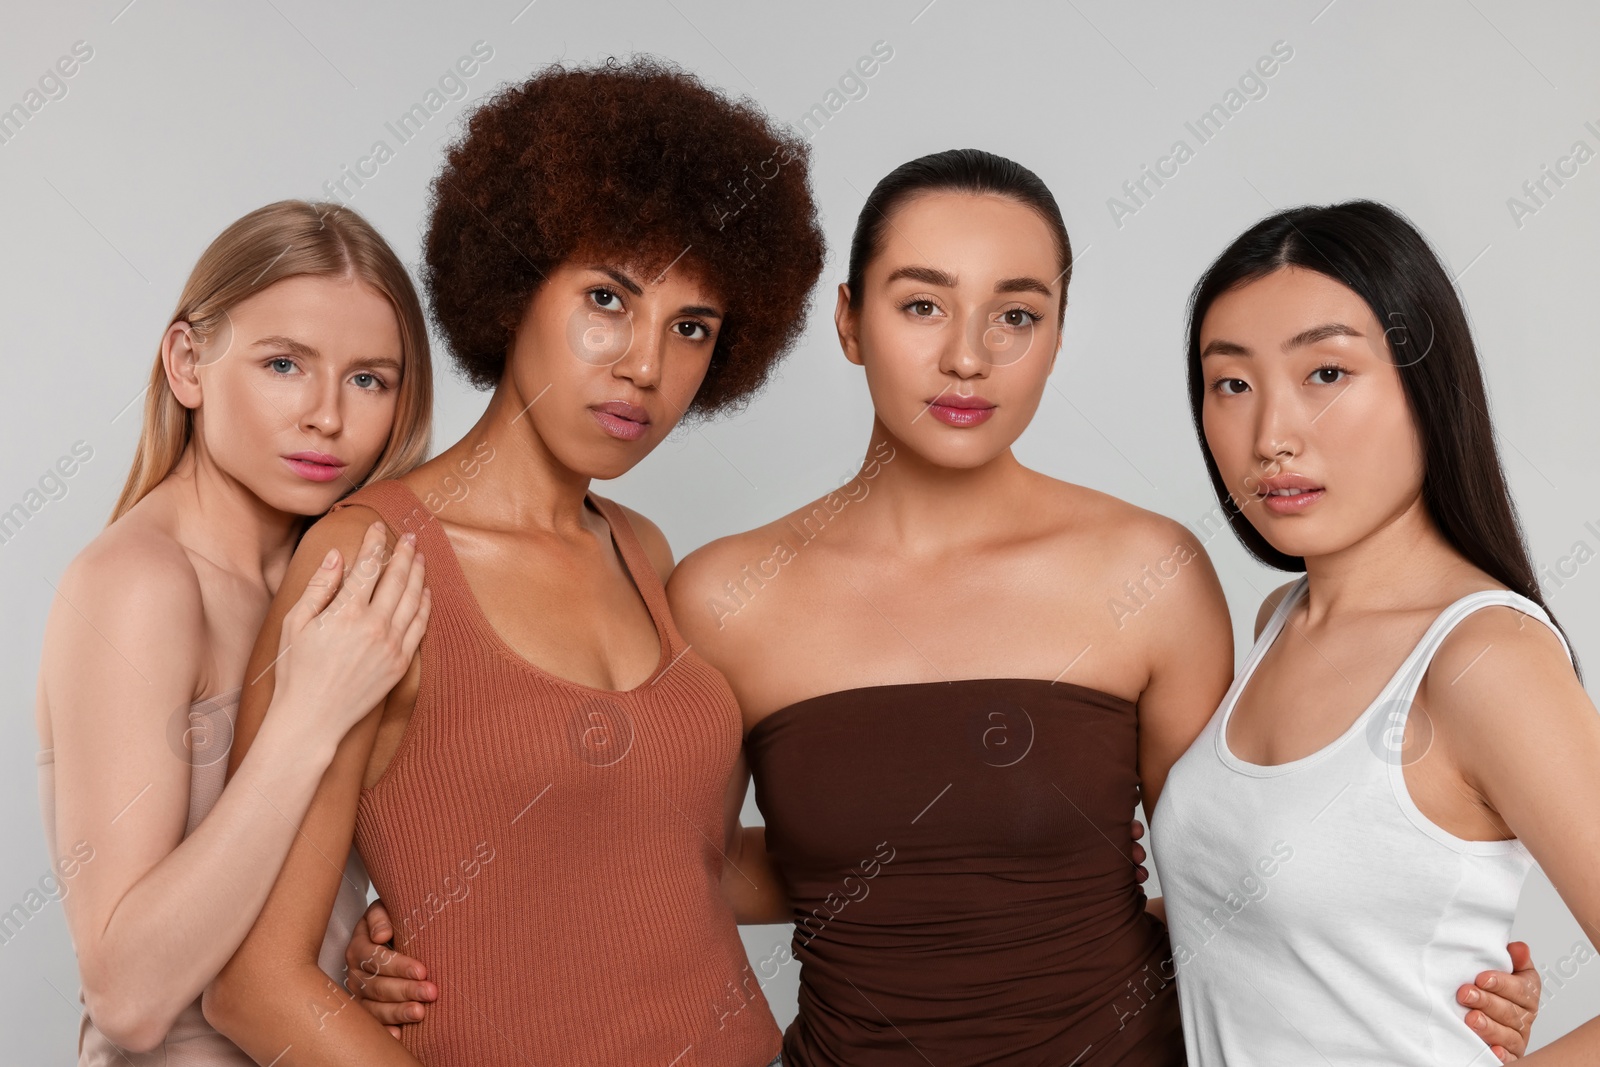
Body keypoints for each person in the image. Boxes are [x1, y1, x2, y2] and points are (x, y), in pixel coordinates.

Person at [344, 156, 1544, 1061]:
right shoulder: (720, 590)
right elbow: (682, 857)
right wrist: (429, 922)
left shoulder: (1154, 570)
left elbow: (1224, 870)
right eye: (923, 306)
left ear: (1058, 337)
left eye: (1015, 315)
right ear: (851, 322)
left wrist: (1410, 982)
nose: (968, 356)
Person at [201, 57, 824, 1066]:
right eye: (607, 300)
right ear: (513, 286)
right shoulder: (370, 556)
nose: (644, 366)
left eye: (691, 327)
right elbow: (253, 982)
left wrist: (940, 831)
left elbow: (680, 866)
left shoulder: (639, 547)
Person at [1151, 199, 1598, 1065]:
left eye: (1326, 374)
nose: (1272, 436)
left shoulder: (1483, 658)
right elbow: (1270, 933)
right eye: (1232, 383)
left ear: (1427, 386)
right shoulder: (1277, 623)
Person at [35, 200, 432, 1064]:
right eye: (285, 363)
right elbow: (130, 996)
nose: (327, 415)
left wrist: (350, 968)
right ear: (188, 362)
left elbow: (273, 917)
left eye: (370, 378)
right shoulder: (139, 584)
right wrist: (308, 715)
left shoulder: (327, 582)